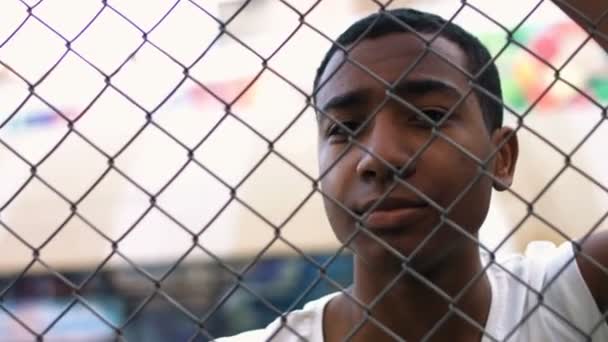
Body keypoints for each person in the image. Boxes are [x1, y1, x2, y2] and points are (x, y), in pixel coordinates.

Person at [217, 1, 608, 341]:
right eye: (345, 128)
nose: (380, 157)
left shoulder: (569, 301)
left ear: (501, 157)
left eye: (430, 118)